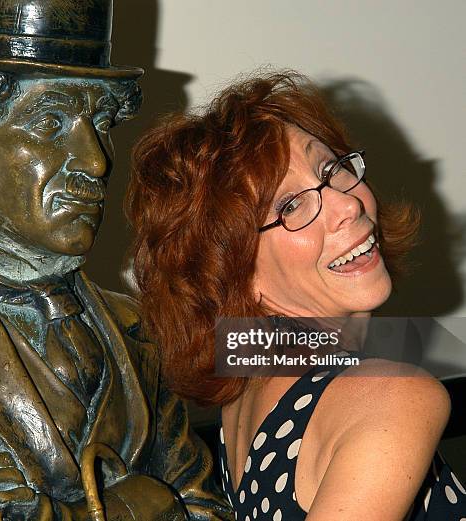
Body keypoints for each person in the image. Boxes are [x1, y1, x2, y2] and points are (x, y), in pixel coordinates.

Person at [0, 1, 232, 520]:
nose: (97, 160)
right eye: (50, 122)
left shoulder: (136, 327)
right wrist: (144, 503)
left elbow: (207, 508)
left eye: (100, 121)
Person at [126, 71, 466, 520]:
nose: (349, 205)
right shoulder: (394, 396)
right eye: (291, 207)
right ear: (237, 274)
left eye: (331, 170)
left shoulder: (250, 382)